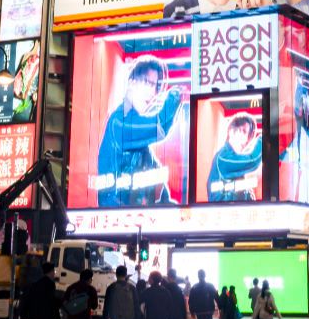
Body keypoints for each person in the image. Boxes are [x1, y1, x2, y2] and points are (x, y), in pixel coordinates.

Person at [96, 56, 186, 206]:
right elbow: (159, 127)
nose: (153, 92)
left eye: (156, 86)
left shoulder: (141, 144)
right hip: (118, 223)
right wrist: (175, 95)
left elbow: (159, 189)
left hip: (136, 222)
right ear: (131, 83)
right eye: (147, 83)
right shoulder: (119, 122)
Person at [207, 114, 262, 201]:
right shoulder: (223, 158)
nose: (246, 138)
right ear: (231, 132)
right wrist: (264, 138)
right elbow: (253, 161)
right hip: (222, 212)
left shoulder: (231, 158)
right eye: (243, 131)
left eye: (247, 134)